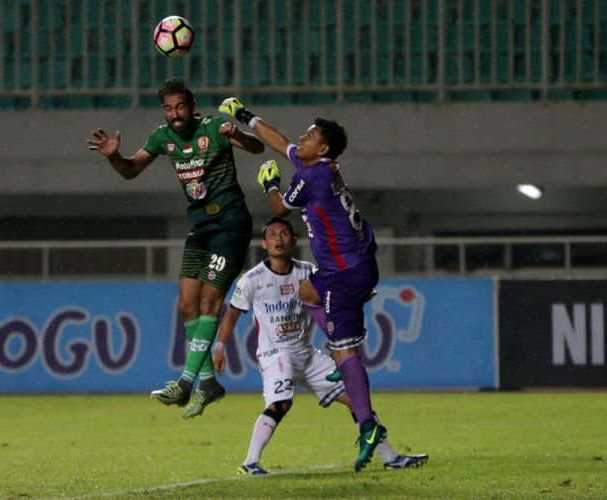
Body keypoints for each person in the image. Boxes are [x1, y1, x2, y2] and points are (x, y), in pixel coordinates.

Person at [218, 97, 392, 471]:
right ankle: (344, 365)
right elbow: (280, 143)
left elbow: (281, 208)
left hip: (345, 273)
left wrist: (270, 185)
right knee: (307, 291)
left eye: (311, 134)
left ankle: (367, 426)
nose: (303, 136)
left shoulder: (312, 177)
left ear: (323, 148)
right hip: (344, 270)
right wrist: (245, 115)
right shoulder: (320, 166)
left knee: (346, 355)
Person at [87, 77, 264, 419]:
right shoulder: (161, 136)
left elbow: (257, 148)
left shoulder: (215, 128)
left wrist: (238, 136)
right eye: (168, 108)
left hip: (230, 224)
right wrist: (114, 157)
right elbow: (130, 171)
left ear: (192, 106)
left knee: (210, 300)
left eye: (180, 106)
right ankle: (209, 384)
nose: (175, 114)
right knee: (186, 304)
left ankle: (186, 382)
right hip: (201, 228)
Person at [213, 216, 428, 474]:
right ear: (263, 244)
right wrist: (219, 346)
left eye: (284, 234)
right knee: (282, 403)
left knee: (356, 397)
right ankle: (250, 462)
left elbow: (336, 290)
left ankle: (390, 457)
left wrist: (358, 291)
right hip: (275, 353)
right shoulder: (252, 279)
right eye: (272, 235)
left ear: (293, 240)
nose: (278, 239)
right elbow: (232, 313)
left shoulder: (308, 272)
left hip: (306, 353)